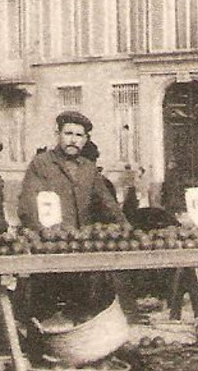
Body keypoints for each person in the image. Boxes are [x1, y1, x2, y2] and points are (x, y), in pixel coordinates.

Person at [17, 111, 129, 321]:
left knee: (84, 307)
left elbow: (107, 203)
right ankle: (39, 347)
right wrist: (47, 235)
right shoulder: (41, 164)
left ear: (85, 140)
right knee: (44, 310)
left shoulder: (89, 168)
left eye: (79, 135)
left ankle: (79, 348)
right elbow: (28, 205)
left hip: (82, 249)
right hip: (50, 248)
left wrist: (125, 227)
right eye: (68, 133)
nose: (73, 140)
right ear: (57, 134)